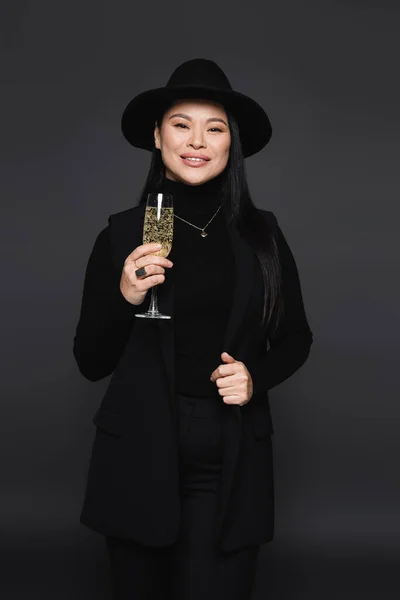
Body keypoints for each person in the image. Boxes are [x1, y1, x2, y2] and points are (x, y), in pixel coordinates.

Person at [73, 58, 313, 600]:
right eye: (181, 124)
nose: (197, 140)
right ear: (158, 137)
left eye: (215, 127)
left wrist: (256, 378)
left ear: (232, 144)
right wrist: (126, 297)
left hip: (229, 450)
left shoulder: (261, 234)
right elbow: (90, 361)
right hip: (138, 445)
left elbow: (297, 337)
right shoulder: (123, 233)